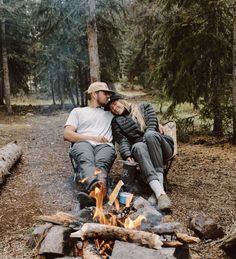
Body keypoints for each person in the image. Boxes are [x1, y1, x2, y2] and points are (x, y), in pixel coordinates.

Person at [104, 93, 174, 210]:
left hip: (162, 146)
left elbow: (152, 126)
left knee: (150, 135)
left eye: (115, 104)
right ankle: (160, 194)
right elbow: (123, 141)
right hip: (144, 150)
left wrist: (150, 135)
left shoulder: (144, 107)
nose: (115, 109)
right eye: (112, 109)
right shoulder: (116, 122)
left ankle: (158, 189)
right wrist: (127, 155)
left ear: (122, 101)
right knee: (137, 146)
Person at [64, 82, 116, 207]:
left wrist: (157, 124)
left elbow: (134, 114)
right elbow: (67, 134)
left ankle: (93, 194)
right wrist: (93, 138)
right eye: (105, 93)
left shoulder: (111, 113)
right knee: (86, 160)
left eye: (109, 94)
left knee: (101, 163)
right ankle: (99, 190)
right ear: (94, 94)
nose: (108, 96)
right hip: (83, 142)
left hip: (105, 145)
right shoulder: (78, 112)